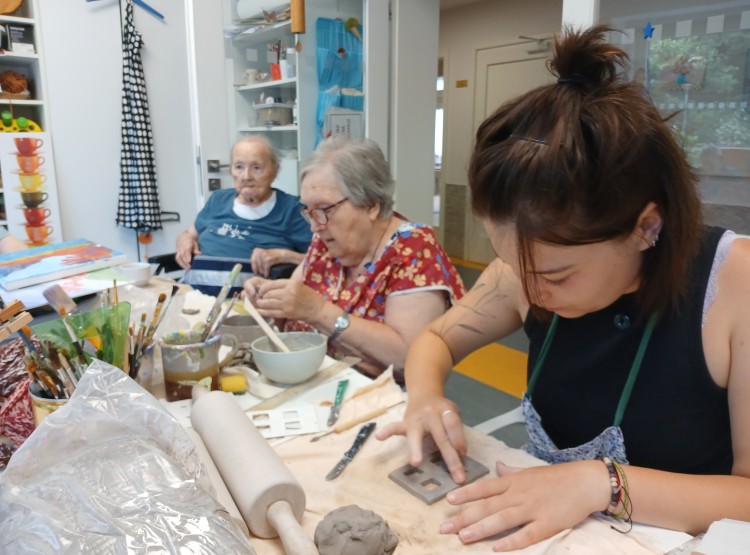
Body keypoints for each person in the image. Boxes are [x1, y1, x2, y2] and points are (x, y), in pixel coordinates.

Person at [377, 25, 750, 551]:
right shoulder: (525, 270)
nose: (527, 288)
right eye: (507, 260)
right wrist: (424, 396)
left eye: (555, 276)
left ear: (648, 227)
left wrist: (600, 482)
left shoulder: (736, 285)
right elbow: (435, 342)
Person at [244, 136, 465, 380]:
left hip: (377, 400)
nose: (314, 227)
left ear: (371, 204)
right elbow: (292, 305)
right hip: (311, 384)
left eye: (325, 209)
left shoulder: (414, 250)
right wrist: (269, 301)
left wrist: (319, 312)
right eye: (308, 211)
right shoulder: (326, 242)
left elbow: (409, 358)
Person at [175, 135, 312, 277]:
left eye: (256, 167)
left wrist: (284, 256)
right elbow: (190, 233)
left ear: (275, 170)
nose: (246, 176)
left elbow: (324, 262)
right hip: (193, 293)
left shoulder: (292, 209)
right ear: (231, 170)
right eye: (239, 167)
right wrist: (184, 240)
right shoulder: (218, 199)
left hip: (250, 296)